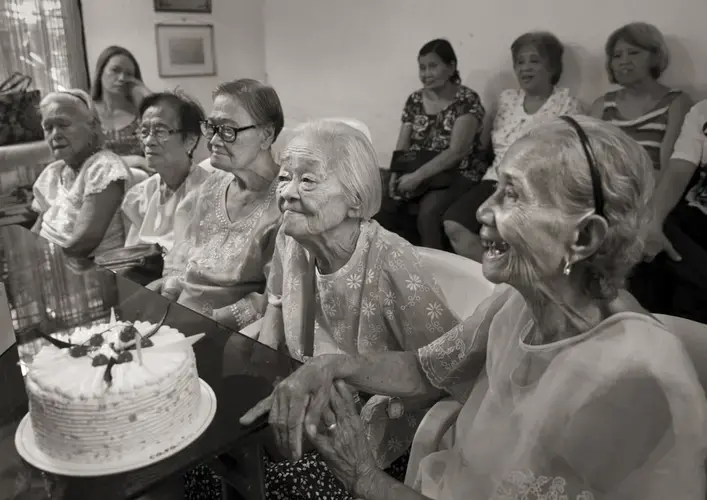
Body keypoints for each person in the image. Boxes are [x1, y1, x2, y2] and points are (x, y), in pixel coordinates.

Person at [241, 116, 707, 499]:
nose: (482, 212)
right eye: (495, 188)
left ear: (584, 237)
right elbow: (425, 371)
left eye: (512, 195)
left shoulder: (638, 381)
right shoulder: (516, 302)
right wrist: (332, 366)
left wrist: (365, 478)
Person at [258, 119, 460, 495]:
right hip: (309, 403)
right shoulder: (291, 239)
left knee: (274, 486)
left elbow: (445, 370)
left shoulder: (390, 260)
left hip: (374, 435)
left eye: (307, 181)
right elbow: (275, 304)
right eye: (284, 177)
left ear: (355, 200)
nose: (286, 192)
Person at [151, 79, 283, 332]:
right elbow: (182, 259)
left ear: (266, 135)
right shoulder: (210, 188)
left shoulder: (285, 202)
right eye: (211, 127)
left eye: (228, 130)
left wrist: (210, 321)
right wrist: (168, 292)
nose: (213, 141)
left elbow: (274, 297)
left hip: (233, 336)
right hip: (178, 319)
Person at [444, 31, 583, 262]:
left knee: (508, 234)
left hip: (536, 187)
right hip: (495, 181)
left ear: (552, 67)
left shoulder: (567, 103)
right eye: (519, 62)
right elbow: (480, 142)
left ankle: (517, 280)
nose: (524, 68)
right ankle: (503, 278)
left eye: (534, 61)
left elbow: (572, 158)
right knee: (454, 225)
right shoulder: (506, 99)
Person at [375, 39, 486, 250]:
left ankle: (432, 273)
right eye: (422, 67)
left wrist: (416, 177)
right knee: (382, 204)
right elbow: (402, 144)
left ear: (451, 67)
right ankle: (391, 267)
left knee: (429, 212)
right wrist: (396, 174)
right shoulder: (415, 100)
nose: (426, 73)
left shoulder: (467, 100)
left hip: (457, 172)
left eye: (433, 66)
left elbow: (457, 151)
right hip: (418, 169)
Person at [31, 89, 132, 257]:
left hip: (91, 271)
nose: (55, 134)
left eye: (63, 125)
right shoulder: (52, 172)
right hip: (52, 263)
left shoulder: (104, 167)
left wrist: (43, 262)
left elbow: (83, 242)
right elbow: (37, 229)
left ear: (91, 127)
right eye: (48, 128)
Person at [590, 23, 692, 175]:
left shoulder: (676, 102)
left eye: (633, 52)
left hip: (651, 194)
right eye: (616, 56)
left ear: (655, 57)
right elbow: (590, 164)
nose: (624, 61)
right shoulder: (601, 105)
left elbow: (669, 174)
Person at [641, 98, 707, 324]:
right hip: (694, 219)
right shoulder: (702, 111)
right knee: (648, 244)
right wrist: (653, 222)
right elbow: (678, 171)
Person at [121, 90, 211, 251]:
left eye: (160, 132)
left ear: (191, 140)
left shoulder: (211, 194)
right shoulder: (140, 196)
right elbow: (131, 258)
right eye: (144, 132)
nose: (149, 141)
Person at [91, 46, 152, 175]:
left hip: (141, 183)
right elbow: (86, 158)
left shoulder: (140, 112)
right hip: (98, 182)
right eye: (115, 70)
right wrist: (136, 160)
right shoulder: (86, 111)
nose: (122, 78)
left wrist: (144, 91)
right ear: (101, 72)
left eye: (129, 74)